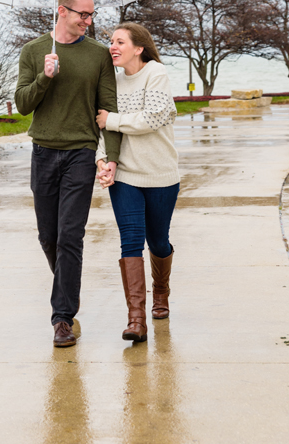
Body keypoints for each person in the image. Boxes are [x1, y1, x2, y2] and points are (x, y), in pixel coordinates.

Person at [14, 0, 118, 348]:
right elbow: (23, 105)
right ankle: (68, 288)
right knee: (49, 238)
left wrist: (112, 157)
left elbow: (108, 110)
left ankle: (62, 318)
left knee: (71, 236)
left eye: (91, 15)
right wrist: (45, 76)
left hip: (81, 153)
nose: (88, 21)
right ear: (62, 11)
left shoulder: (98, 56)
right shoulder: (33, 51)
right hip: (43, 151)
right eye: (82, 14)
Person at [94, 21, 180, 345]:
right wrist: (102, 161)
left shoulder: (155, 73)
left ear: (138, 48)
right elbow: (102, 128)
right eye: (111, 41)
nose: (112, 47)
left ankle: (161, 291)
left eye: (119, 42)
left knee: (158, 242)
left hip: (160, 174)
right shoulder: (111, 81)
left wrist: (112, 119)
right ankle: (136, 320)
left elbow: (155, 116)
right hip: (126, 174)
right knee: (130, 239)